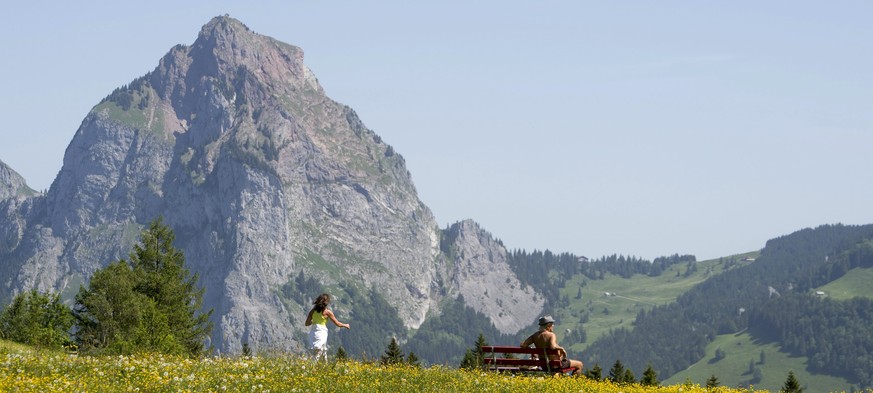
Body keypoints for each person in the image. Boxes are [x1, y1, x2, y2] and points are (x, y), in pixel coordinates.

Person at [305, 293, 350, 361]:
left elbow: (307, 323)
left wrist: (314, 321)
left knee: (323, 350)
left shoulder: (312, 311)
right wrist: (345, 325)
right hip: (321, 332)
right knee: (319, 352)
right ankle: (312, 366)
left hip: (313, 332)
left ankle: (325, 366)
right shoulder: (327, 312)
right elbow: (337, 323)